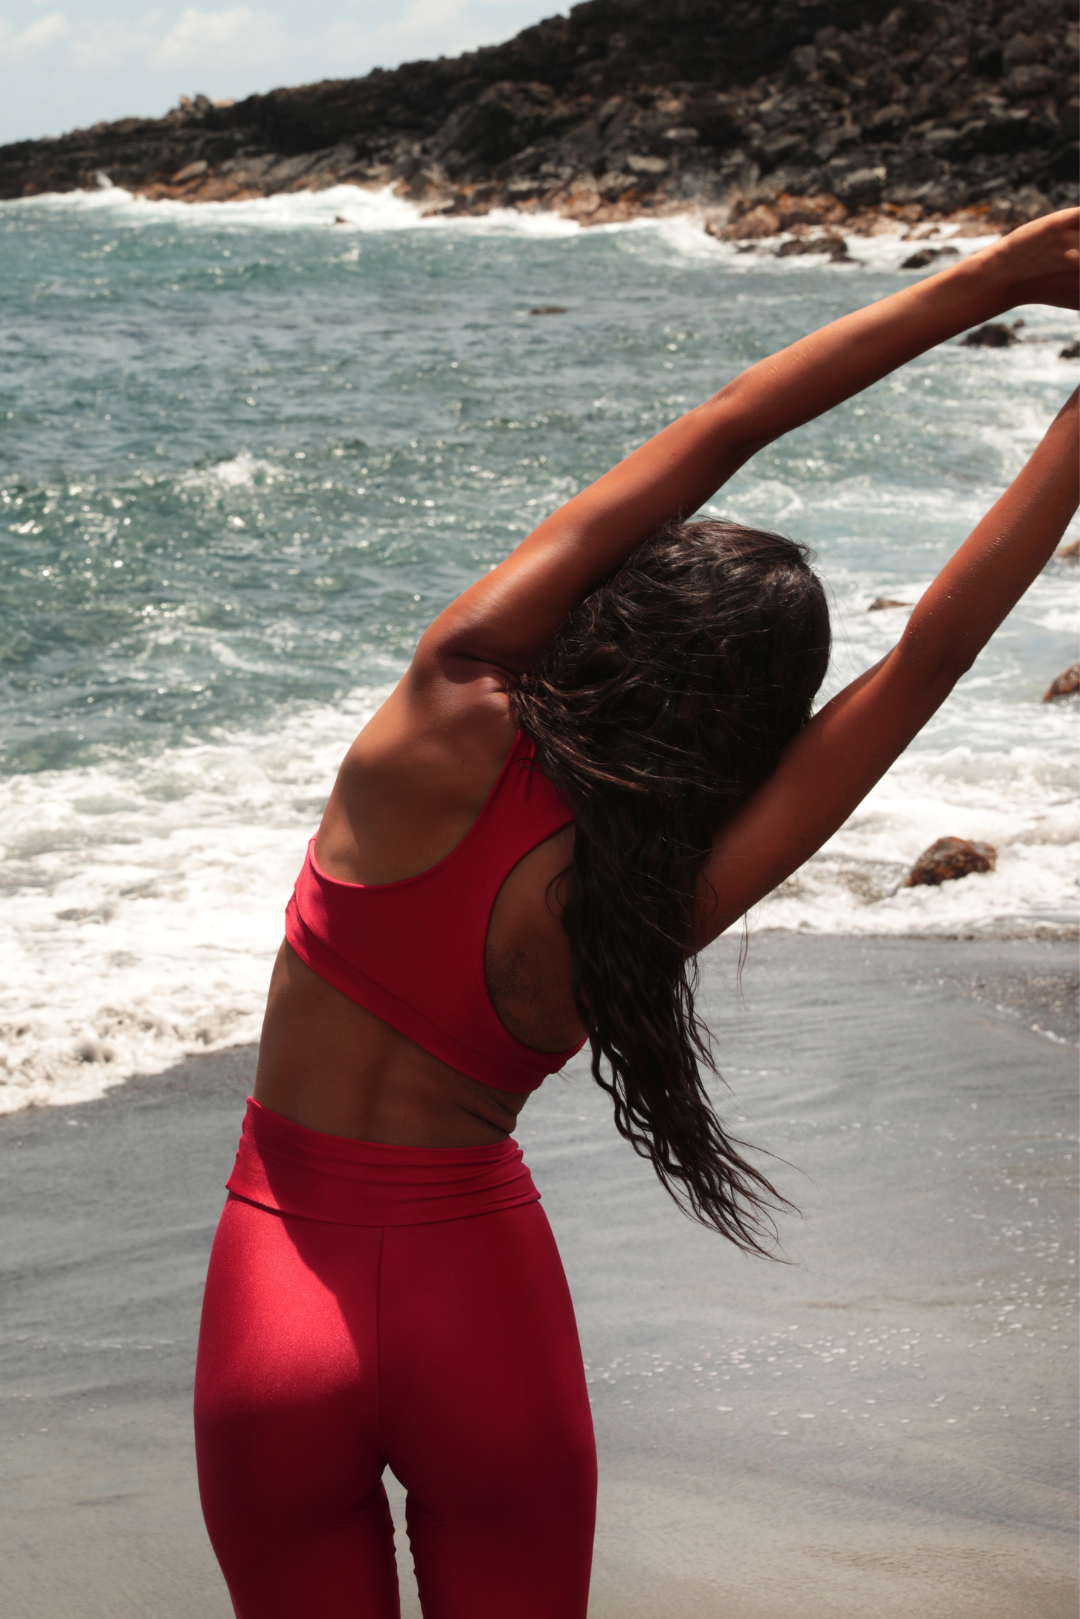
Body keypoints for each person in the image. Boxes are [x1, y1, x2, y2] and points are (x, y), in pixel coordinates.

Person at [193, 209, 1078, 1619]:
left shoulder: (448, 700)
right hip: (477, 1312)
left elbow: (728, 425)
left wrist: (986, 280)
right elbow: (930, 656)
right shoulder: (648, 898)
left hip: (269, 1299)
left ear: (618, 610)